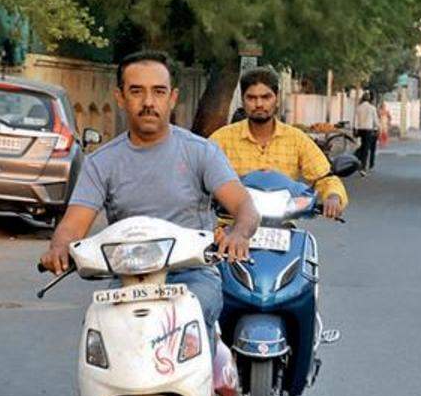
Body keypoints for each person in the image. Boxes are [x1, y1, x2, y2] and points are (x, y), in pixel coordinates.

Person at [39, 50, 259, 342]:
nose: (148, 102)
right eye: (136, 92)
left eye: (158, 92)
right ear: (120, 98)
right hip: (127, 277)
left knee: (191, 320)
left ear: (172, 98)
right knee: (100, 332)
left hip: (191, 276)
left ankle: (203, 387)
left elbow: (244, 206)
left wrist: (239, 233)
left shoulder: (200, 152)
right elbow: (72, 225)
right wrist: (59, 247)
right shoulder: (101, 162)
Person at [210, 66, 348, 220]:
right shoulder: (221, 139)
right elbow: (197, 177)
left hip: (283, 226)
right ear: (242, 99)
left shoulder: (297, 139)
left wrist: (333, 196)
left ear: (277, 98)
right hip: (230, 229)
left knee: (303, 244)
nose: (259, 104)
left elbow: (325, 178)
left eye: (266, 97)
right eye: (251, 98)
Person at [353, 92, 380, 176]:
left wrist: (355, 129)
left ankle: (356, 157)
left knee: (363, 146)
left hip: (360, 130)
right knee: (366, 149)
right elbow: (375, 120)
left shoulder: (358, 108)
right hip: (369, 130)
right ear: (369, 99)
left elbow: (355, 120)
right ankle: (363, 167)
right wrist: (378, 128)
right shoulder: (372, 108)